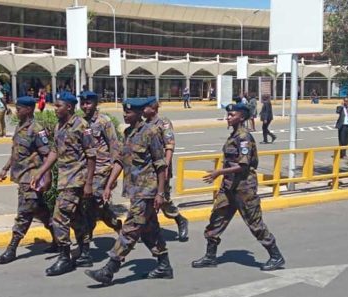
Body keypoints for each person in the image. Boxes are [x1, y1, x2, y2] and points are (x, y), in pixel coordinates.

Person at [84, 97, 171, 286]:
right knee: (150, 231)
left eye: (129, 112)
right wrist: (108, 185)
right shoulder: (128, 133)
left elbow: (161, 165)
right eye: (124, 111)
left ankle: (109, 269)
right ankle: (164, 265)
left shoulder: (151, 132)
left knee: (130, 229)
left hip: (147, 191)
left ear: (139, 113)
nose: (125, 114)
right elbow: (120, 161)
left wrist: (160, 193)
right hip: (134, 190)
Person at [191, 102, 285, 271]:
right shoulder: (234, 135)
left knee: (254, 223)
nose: (228, 118)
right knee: (216, 218)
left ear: (241, 117)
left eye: (232, 115)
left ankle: (276, 256)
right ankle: (210, 256)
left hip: (244, 187)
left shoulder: (243, 137)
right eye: (228, 115)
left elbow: (243, 165)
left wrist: (218, 172)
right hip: (228, 186)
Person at [31, 91, 96, 276]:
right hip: (65, 178)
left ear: (69, 107)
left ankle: (65, 257)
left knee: (59, 217)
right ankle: (84, 253)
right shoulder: (60, 125)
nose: (55, 109)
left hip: (76, 179)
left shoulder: (81, 126)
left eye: (58, 106)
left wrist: (89, 183)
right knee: (75, 217)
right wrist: (41, 171)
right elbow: (54, 151)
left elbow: (91, 156)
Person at [0, 96, 56, 264]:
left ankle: (11, 249)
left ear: (29, 109)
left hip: (32, 178)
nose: (16, 111)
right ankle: (58, 239)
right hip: (21, 176)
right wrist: (5, 168)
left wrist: (47, 176)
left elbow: (47, 154)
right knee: (41, 212)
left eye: (19, 108)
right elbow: (16, 153)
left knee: (24, 213)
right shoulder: (20, 127)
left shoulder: (36, 129)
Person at [77, 90, 123, 267]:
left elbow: (114, 148)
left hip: (102, 171)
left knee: (88, 209)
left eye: (88, 103)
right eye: (83, 103)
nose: (85, 106)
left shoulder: (104, 122)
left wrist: (111, 179)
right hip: (86, 171)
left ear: (96, 103)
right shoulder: (80, 122)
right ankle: (117, 226)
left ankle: (86, 251)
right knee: (98, 207)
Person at [144, 99, 189, 242]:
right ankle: (148, 229)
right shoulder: (143, 124)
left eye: (145, 107)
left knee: (162, 199)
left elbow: (169, 145)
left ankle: (180, 219)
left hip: (160, 167)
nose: (142, 110)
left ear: (153, 108)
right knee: (146, 198)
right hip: (146, 169)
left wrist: (166, 165)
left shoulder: (163, 122)